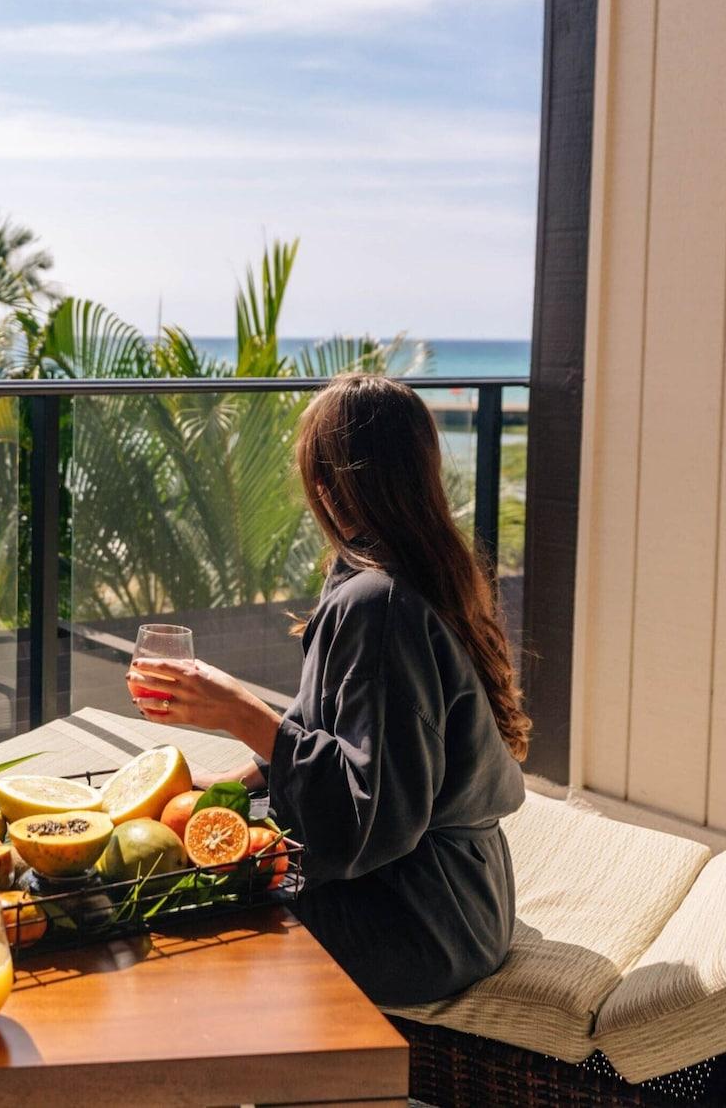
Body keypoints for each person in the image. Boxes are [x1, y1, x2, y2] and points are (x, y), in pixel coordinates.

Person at [126, 373, 528, 1006]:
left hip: (416, 918)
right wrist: (227, 786)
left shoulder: (381, 603)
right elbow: (344, 735)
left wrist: (239, 712)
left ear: (330, 486)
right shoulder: (419, 571)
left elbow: (370, 820)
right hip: (463, 898)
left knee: (161, 914)